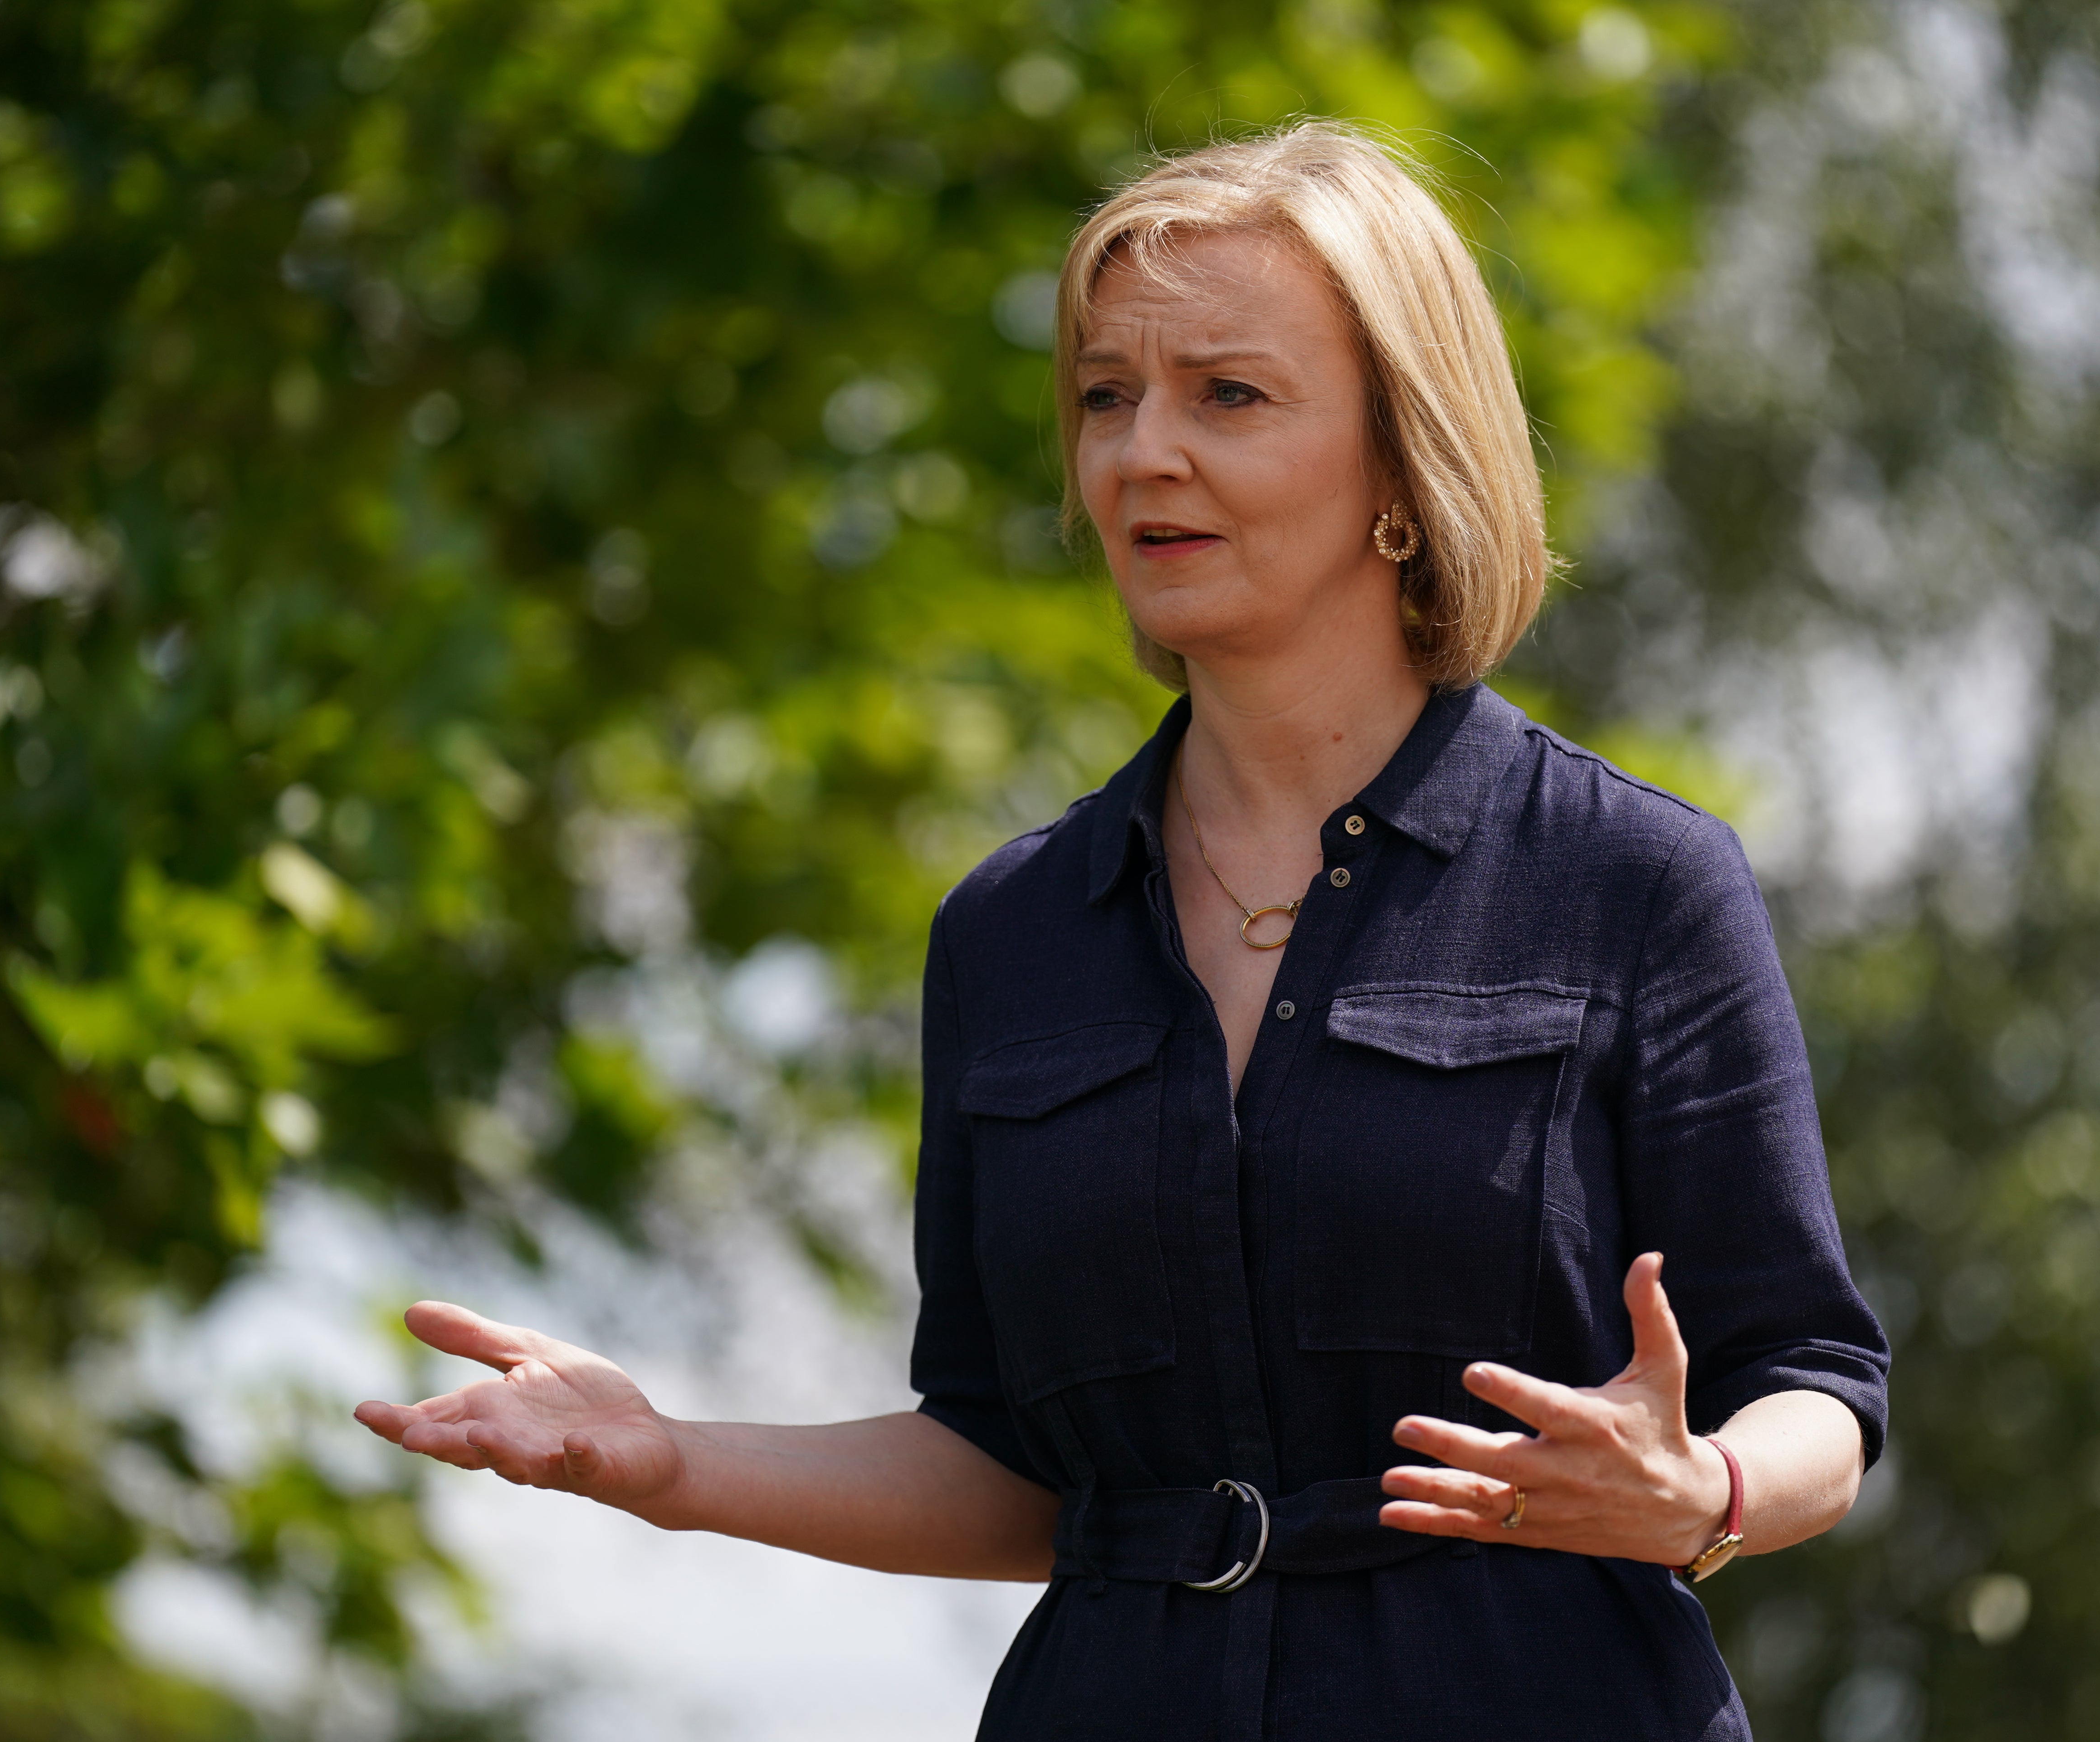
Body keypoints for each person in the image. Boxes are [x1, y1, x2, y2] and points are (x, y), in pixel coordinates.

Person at [356, 122, 1888, 1739]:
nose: (1141, 452)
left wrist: (1701, 1488)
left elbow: (1815, 1384)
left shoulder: (1634, 881)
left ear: (1398, 458)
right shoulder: (1010, 932)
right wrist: (671, 1460)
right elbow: (1013, 1463)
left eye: (1227, 394)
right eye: (1106, 396)